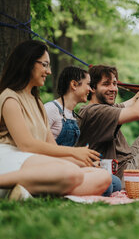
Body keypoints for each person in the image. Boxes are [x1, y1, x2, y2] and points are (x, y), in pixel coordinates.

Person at [0, 41, 112, 203]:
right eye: (45, 65)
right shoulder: (9, 97)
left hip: (32, 162)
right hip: (6, 159)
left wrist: (82, 161)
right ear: (28, 63)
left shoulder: (38, 104)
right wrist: (74, 153)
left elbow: (52, 149)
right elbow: (26, 145)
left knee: (103, 177)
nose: (48, 71)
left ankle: (25, 192)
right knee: (72, 173)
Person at [44, 66, 122, 195]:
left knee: (115, 182)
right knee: (107, 186)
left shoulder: (72, 114)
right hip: (54, 166)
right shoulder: (51, 109)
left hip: (69, 164)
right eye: (88, 85)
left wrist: (87, 163)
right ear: (74, 85)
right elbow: (46, 150)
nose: (90, 89)